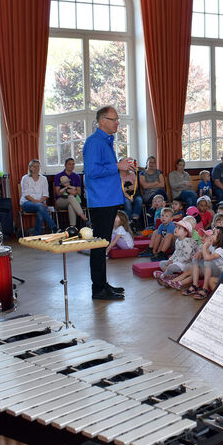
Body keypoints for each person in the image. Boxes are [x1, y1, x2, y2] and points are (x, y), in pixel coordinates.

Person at [82, 105, 133, 300]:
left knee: (102, 243)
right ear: (102, 121)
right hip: (101, 200)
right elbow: (92, 172)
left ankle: (103, 284)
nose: (117, 123)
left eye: (118, 119)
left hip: (109, 198)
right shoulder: (94, 142)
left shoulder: (106, 142)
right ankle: (98, 289)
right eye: (114, 119)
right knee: (99, 245)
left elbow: (105, 170)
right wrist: (117, 166)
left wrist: (121, 171)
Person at [20, 159, 57, 236]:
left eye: (38, 166)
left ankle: (37, 234)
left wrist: (39, 202)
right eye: (34, 166)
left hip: (40, 203)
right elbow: (26, 195)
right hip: (27, 203)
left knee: (40, 210)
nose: (36, 168)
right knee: (41, 207)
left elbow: (46, 195)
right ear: (30, 168)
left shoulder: (43, 178)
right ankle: (54, 227)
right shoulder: (25, 178)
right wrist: (38, 202)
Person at [54, 157, 87, 227]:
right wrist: (67, 190)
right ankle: (83, 217)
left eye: (73, 164)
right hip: (61, 200)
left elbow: (79, 193)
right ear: (65, 165)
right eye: (69, 164)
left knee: (71, 204)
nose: (71, 166)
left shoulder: (77, 177)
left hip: (73, 200)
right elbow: (58, 193)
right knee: (71, 198)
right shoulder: (58, 176)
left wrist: (74, 192)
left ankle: (72, 227)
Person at [118, 157, 142, 231]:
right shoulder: (117, 175)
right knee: (127, 202)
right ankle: (128, 222)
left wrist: (126, 188)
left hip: (133, 193)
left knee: (139, 200)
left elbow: (135, 186)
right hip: (121, 194)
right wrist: (128, 196)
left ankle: (135, 220)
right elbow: (120, 189)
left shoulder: (132, 174)